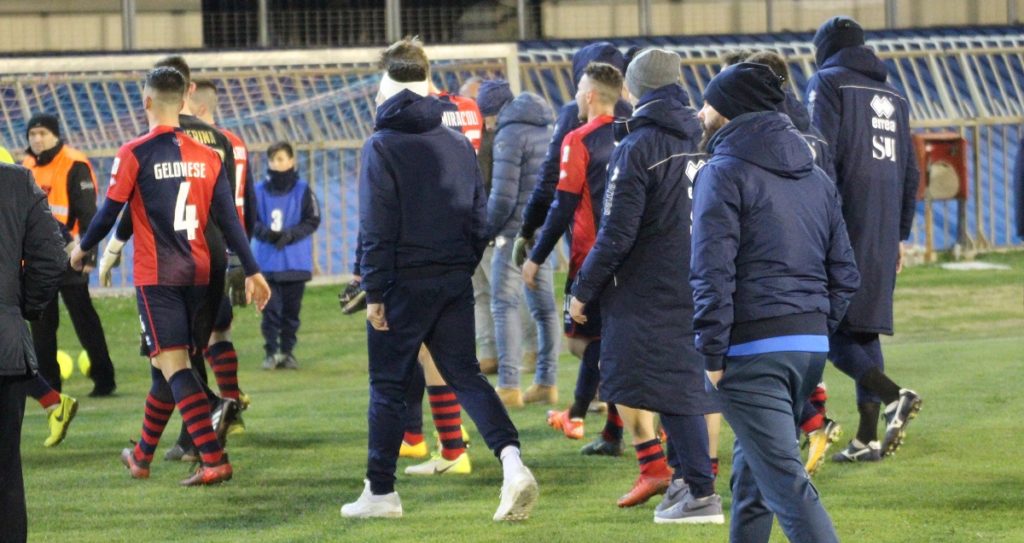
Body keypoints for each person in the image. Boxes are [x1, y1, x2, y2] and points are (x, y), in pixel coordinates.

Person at [340, 45, 537, 521]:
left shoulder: (381, 145)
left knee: (387, 386)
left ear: (386, 91)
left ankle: (381, 492)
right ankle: (513, 464)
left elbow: (376, 225)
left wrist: (375, 290)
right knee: (466, 375)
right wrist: (459, 266)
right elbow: (478, 216)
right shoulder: (457, 142)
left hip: (402, 284)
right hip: (451, 279)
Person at [69, 66, 271, 486]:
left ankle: (213, 456)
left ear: (146, 101)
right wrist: (253, 270)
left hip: (158, 276)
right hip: (203, 274)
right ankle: (141, 456)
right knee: (165, 365)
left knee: (174, 366)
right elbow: (229, 219)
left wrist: (82, 248)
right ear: (183, 102)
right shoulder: (209, 155)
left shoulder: (134, 152)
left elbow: (110, 212)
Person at [691, 61, 860, 543]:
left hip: (751, 352)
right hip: (807, 348)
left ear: (729, 110)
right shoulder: (816, 177)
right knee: (753, 483)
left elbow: (711, 272)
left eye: (708, 102)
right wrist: (814, 326)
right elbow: (845, 274)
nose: (700, 112)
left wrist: (711, 353)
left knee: (786, 486)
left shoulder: (721, 173)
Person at [568, 48, 723, 524]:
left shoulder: (638, 146)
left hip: (652, 285)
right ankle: (685, 479)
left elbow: (617, 232)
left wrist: (583, 289)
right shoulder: (706, 135)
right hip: (702, 275)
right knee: (682, 380)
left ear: (633, 88)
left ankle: (701, 492)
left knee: (669, 385)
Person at [101, 56, 244, 462]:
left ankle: (209, 422)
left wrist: (109, 248)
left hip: (167, 260)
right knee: (187, 353)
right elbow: (232, 207)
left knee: (171, 361)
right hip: (210, 257)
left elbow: (133, 205)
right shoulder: (222, 142)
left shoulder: (149, 145)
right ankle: (147, 453)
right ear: (187, 91)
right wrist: (242, 261)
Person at [806, 16, 923, 462]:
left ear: (825, 49)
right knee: (864, 328)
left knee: (826, 327)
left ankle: (894, 396)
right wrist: (899, 235)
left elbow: (821, 156)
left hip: (842, 223)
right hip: (882, 228)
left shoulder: (827, 83)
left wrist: (818, 223)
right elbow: (910, 171)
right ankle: (867, 438)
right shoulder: (895, 95)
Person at [523, 62, 637, 485]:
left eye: (577, 90)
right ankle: (611, 429)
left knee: (585, 341)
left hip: (593, 258)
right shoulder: (634, 133)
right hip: (634, 258)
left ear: (589, 96)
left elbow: (564, 204)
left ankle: (576, 415)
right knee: (612, 341)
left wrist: (536, 255)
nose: (574, 96)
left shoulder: (578, 139)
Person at [743, 49, 842, 476]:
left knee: (762, 365)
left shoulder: (759, 138)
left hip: (774, 261)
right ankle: (814, 421)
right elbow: (831, 198)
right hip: (816, 257)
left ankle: (811, 424)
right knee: (802, 349)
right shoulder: (813, 134)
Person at [475, 79, 561, 407]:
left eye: (487, 116)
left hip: (514, 234)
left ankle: (509, 386)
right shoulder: (547, 126)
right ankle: (546, 382)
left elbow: (503, 197)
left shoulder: (509, 134)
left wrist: (485, 230)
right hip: (544, 230)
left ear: (495, 111)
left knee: (503, 305)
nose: (487, 125)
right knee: (544, 308)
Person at [21, 113, 118, 398]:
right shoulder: (26, 166)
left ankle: (104, 378)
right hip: (37, 259)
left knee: (83, 318)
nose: (37, 139)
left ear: (55, 135)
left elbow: (88, 213)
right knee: (41, 323)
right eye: (32, 134)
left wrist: (88, 254)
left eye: (42, 133)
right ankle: (49, 387)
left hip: (69, 253)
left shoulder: (74, 163)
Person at [0, 161, 67, 543]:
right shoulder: (17, 181)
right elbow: (52, 256)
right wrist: (20, 308)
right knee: (6, 473)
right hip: (5, 346)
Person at [186, 78, 257, 433]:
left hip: (203, 246)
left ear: (199, 108)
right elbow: (250, 201)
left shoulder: (196, 143)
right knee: (220, 331)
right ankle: (231, 410)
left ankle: (213, 416)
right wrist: (245, 256)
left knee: (195, 337)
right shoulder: (236, 142)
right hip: (234, 247)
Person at [251, 141, 320, 369]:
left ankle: (288, 352)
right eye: (272, 160)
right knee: (270, 312)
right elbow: (250, 220)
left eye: (280, 159)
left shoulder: (303, 190)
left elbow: (313, 220)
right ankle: (271, 353)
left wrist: (290, 235)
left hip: (295, 263)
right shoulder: (258, 191)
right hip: (267, 263)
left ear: (291, 161)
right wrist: (267, 235)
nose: (276, 164)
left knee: (291, 313)